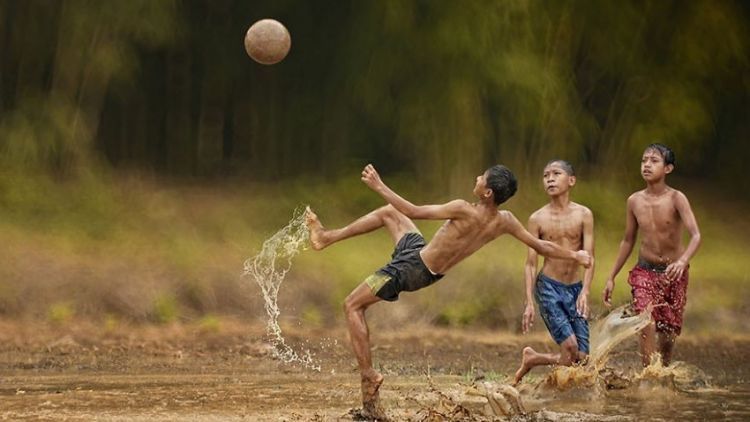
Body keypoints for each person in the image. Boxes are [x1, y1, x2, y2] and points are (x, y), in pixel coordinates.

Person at [305, 163, 592, 419]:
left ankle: (368, 374)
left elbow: (414, 211)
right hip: (423, 262)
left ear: (487, 192)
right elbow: (541, 247)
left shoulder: (463, 208)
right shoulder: (505, 220)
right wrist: (575, 255)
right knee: (389, 214)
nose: (477, 177)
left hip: (412, 269)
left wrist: (379, 185)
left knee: (352, 305)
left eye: (482, 178)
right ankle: (326, 237)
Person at [602, 143, 701, 367]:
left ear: (668, 168)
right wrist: (611, 276)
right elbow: (628, 240)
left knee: (669, 329)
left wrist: (683, 261)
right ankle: (648, 375)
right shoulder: (634, 201)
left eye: (654, 161)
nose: (646, 165)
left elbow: (696, 235)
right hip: (645, 270)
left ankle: (663, 371)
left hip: (674, 273)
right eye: (644, 160)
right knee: (645, 322)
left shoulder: (677, 198)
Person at [512, 160, 595, 385]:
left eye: (556, 173)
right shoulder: (537, 218)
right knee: (569, 347)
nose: (549, 178)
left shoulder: (584, 215)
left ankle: (533, 359)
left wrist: (585, 291)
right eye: (546, 175)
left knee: (582, 358)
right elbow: (530, 263)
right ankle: (550, 390)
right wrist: (529, 301)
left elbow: (589, 258)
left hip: (575, 288)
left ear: (571, 180)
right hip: (548, 287)